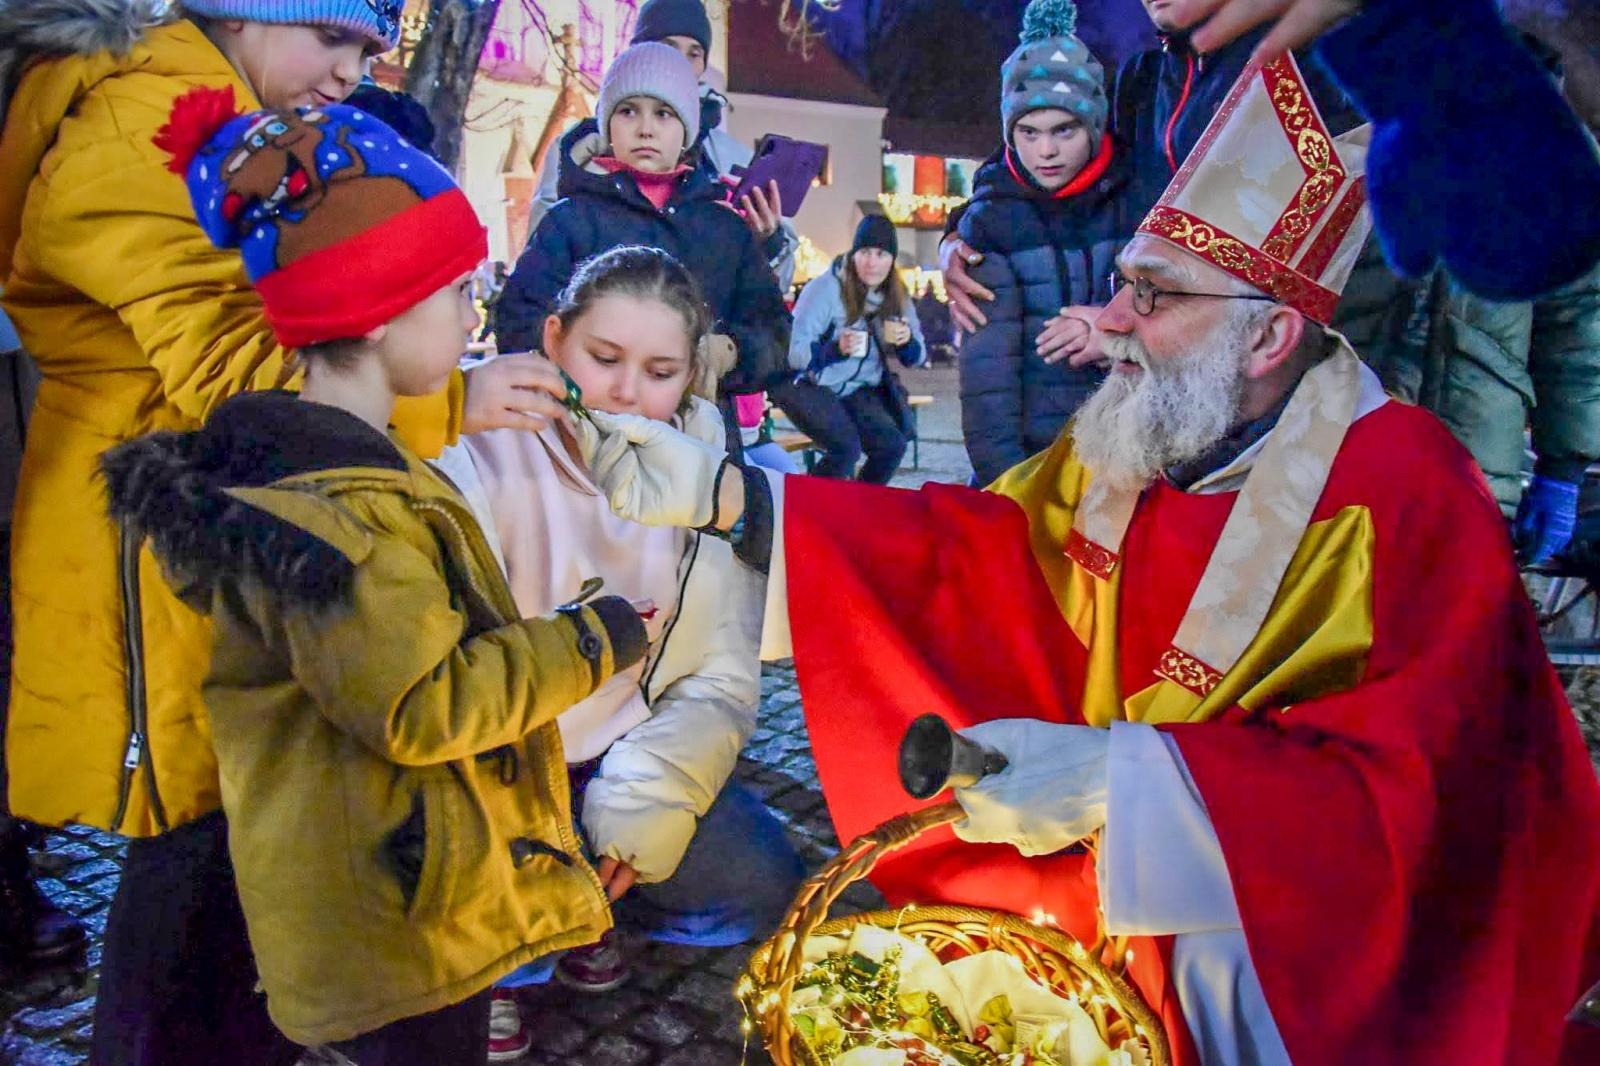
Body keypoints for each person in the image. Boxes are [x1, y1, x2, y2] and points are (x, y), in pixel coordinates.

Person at [569, 55, 1600, 1064]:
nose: (1109, 322)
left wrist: (1125, 783)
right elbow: (973, 552)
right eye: (1120, 285)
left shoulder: (1408, 492)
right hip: (1087, 906)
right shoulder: (1143, 431)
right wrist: (739, 500)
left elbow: (1430, 809)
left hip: (1270, 952)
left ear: (1269, 338)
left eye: (1154, 296)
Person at [0, 1, 576, 1059]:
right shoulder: (146, 119)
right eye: (330, 36)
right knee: (196, 850)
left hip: (207, 522)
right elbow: (246, 364)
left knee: (231, 839)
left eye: (367, 48)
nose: (349, 70)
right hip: (163, 544)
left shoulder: (214, 115)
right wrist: (446, 396)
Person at [101, 92, 650, 1062]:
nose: (473, 316)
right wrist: (589, 637)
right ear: (382, 309)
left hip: (384, 873)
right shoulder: (348, 515)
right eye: (457, 294)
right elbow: (426, 704)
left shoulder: (316, 472)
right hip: (403, 915)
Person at [435, 246, 802, 1060]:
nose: (627, 393)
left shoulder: (707, 471)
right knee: (480, 880)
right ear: (553, 339)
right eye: (602, 359)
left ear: (692, 374)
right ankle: (514, 956)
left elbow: (719, 675)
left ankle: (594, 906)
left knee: (759, 880)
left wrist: (645, 802)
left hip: (622, 746)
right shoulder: (472, 448)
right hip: (494, 762)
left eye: (660, 372)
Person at [938, 0, 1356, 337]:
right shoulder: (1140, 81)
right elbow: (1028, 162)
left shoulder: (1312, 62)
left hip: (1282, 355)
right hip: (1167, 363)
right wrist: (959, 233)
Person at [495, 42, 790, 450]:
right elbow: (518, 320)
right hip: (588, 440)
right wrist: (583, 361)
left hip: (699, 449)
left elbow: (775, 335)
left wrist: (728, 353)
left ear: (686, 128)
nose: (645, 128)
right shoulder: (572, 220)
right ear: (607, 124)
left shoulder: (724, 229)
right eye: (628, 111)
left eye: (664, 113)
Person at [957, 0, 1130, 485]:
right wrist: (1009, 486)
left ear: (1093, 124)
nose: (1046, 151)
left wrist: (1117, 331)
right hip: (1033, 462)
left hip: (1129, 457)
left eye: (1064, 130)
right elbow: (988, 383)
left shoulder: (1138, 199)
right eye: (1028, 133)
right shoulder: (992, 221)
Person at [523, 0, 800, 290]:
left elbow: (772, 290)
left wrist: (766, 243)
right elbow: (538, 268)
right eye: (668, 47)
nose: (681, 62)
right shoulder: (578, 153)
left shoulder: (732, 158)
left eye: (694, 53)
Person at [772, 216, 925, 484]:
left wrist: (906, 342)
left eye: (881, 254)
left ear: (892, 260)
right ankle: (808, 503)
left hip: (856, 389)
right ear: (854, 254)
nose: (871, 262)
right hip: (809, 385)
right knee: (845, 450)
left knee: (891, 446)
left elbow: (919, 356)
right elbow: (793, 354)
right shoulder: (825, 289)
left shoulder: (895, 295)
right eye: (865, 252)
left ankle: (861, 505)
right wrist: (835, 349)